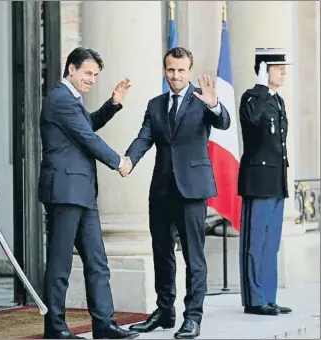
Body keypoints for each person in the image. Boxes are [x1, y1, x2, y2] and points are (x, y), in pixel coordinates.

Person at [122, 47, 230, 339]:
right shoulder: (156, 104)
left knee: (194, 257)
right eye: (171, 70)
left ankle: (192, 317)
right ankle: (165, 312)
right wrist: (129, 159)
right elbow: (144, 136)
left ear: (190, 71)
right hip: (161, 190)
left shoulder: (202, 101)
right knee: (162, 253)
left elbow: (224, 122)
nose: (176, 75)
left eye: (181, 70)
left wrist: (215, 105)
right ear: (164, 70)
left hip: (192, 190)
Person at [38, 46, 138, 340]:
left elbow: (86, 126)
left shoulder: (72, 101)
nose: (92, 79)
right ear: (71, 69)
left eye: (95, 74)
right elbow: (87, 136)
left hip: (82, 191)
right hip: (65, 192)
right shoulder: (59, 98)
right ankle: (55, 328)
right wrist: (119, 161)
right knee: (60, 264)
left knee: (97, 261)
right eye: (87, 73)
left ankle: (104, 325)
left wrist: (113, 104)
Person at [237, 48, 292, 316]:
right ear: (263, 70)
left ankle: (269, 297)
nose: (283, 71)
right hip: (257, 182)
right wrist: (260, 86)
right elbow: (251, 120)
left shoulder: (278, 101)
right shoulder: (252, 98)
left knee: (271, 243)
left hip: (276, 182)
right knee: (255, 242)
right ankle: (254, 299)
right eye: (277, 66)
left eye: (284, 67)